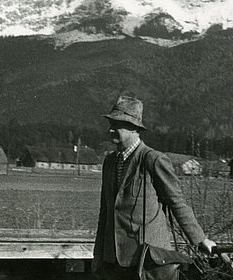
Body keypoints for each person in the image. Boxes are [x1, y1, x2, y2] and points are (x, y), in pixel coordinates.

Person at [92, 95, 216, 279]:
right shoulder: (109, 162)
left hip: (148, 262)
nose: (111, 130)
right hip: (114, 263)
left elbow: (177, 202)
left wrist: (200, 239)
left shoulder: (153, 160)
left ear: (134, 128)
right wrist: (98, 255)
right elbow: (105, 212)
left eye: (117, 125)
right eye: (111, 124)